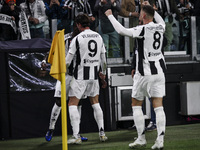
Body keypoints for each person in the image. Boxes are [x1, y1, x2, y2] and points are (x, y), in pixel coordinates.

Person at [105, 1, 166, 149]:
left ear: (143, 15)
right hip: (159, 72)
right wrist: (149, 8)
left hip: (144, 73)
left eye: (141, 12)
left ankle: (141, 138)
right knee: (158, 107)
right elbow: (160, 20)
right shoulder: (161, 26)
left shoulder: (143, 29)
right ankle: (160, 141)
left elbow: (121, 31)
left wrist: (110, 16)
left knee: (136, 104)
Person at [42, 23, 89, 142]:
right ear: (76, 27)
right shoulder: (65, 38)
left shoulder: (84, 38)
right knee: (59, 101)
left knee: (78, 103)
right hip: (66, 75)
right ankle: (51, 128)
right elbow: (52, 51)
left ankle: (77, 133)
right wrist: (44, 60)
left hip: (79, 75)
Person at [65, 13, 107, 144]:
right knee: (96, 103)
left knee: (72, 104)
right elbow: (104, 59)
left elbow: (68, 60)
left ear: (78, 25)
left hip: (80, 76)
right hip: (94, 76)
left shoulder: (77, 38)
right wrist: (103, 73)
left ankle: (76, 136)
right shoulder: (98, 36)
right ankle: (102, 133)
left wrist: (63, 71)